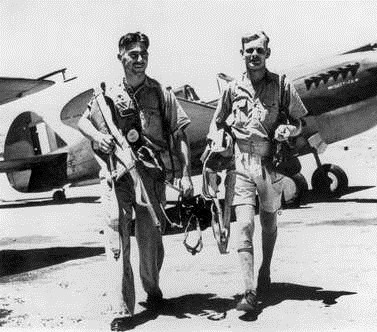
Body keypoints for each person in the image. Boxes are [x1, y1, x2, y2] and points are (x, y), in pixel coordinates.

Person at [77, 32, 193, 329]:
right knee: (117, 238)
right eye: (132, 55)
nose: (139, 59)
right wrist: (100, 137)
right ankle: (122, 309)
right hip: (117, 176)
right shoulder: (106, 95)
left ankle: (153, 291)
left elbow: (179, 135)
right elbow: (82, 121)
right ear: (121, 57)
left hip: (151, 176)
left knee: (150, 239)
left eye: (143, 54)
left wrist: (183, 173)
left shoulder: (160, 94)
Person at [207, 31, 308, 312]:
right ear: (242, 54)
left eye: (259, 51)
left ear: (267, 54)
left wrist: (291, 129)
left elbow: (301, 122)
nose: (254, 55)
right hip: (241, 164)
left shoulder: (282, 85)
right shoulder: (231, 88)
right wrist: (217, 139)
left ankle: (265, 270)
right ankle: (249, 291)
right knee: (245, 225)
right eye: (249, 50)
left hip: (270, 163)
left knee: (268, 222)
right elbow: (216, 123)